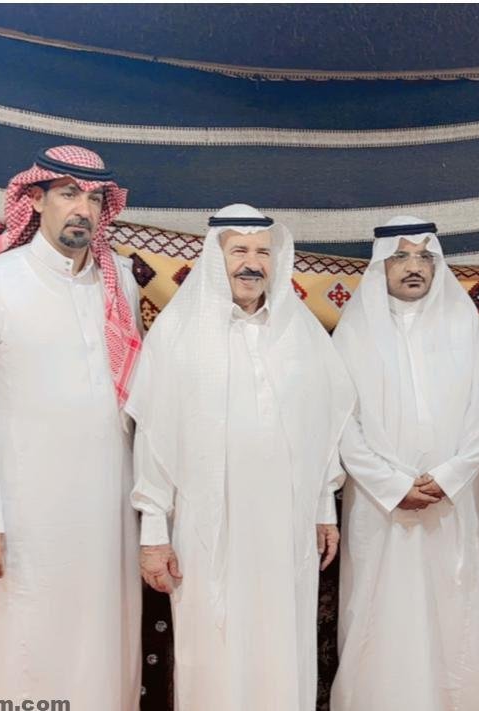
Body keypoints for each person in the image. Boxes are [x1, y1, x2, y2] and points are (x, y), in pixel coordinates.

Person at [128, 204, 354, 710]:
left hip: (286, 526)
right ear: (216, 258)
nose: (252, 263)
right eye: (239, 251)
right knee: (213, 648)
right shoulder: (179, 334)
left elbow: (324, 429)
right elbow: (154, 441)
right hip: (208, 529)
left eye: (262, 252)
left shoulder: (300, 333)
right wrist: (154, 535)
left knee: (283, 644)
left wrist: (324, 509)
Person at [0, 145, 142, 709]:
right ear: (34, 200)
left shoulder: (119, 282)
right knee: (27, 646)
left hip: (107, 506)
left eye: (94, 198)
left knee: (105, 644)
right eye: (68, 194)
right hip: (24, 512)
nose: (83, 209)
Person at [330, 217, 479, 710]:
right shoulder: (353, 333)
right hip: (379, 505)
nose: (413, 267)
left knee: (453, 612)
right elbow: (340, 422)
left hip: (452, 500)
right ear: (381, 266)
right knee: (379, 613)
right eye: (400, 257)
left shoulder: (464, 325)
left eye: (424, 257)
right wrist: (392, 484)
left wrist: (449, 476)